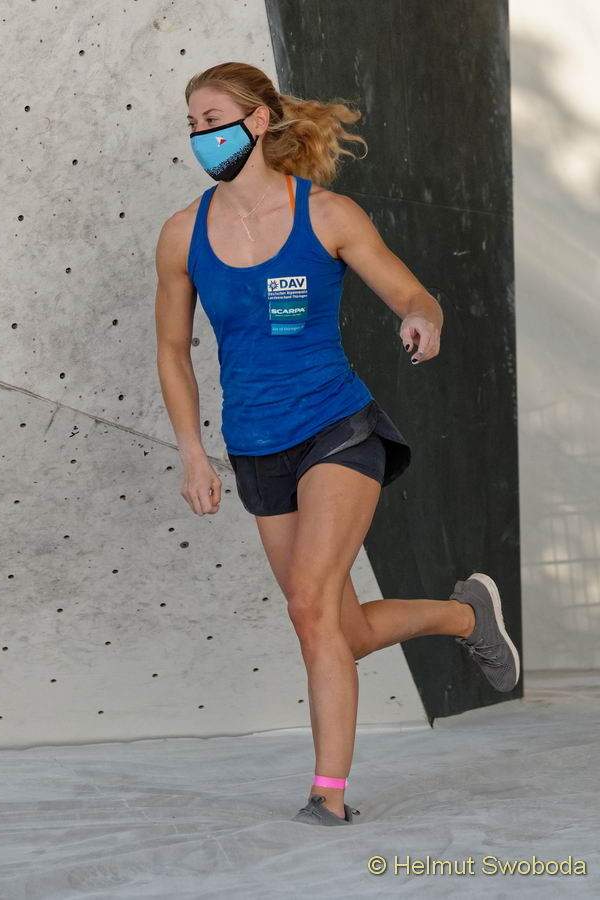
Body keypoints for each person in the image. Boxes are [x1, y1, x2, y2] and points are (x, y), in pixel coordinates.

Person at [154, 62, 520, 826]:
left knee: (310, 606)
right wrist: (192, 452)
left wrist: (422, 318)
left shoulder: (326, 215)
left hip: (337, 428)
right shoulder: (183, 234)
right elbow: (172, 349)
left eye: (211, 119)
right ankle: (463, 618)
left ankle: (329, 795)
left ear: (257, 121)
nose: (199, 135)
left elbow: (411, 292)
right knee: (335, 629)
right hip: (255, 446)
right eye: (191, 124)